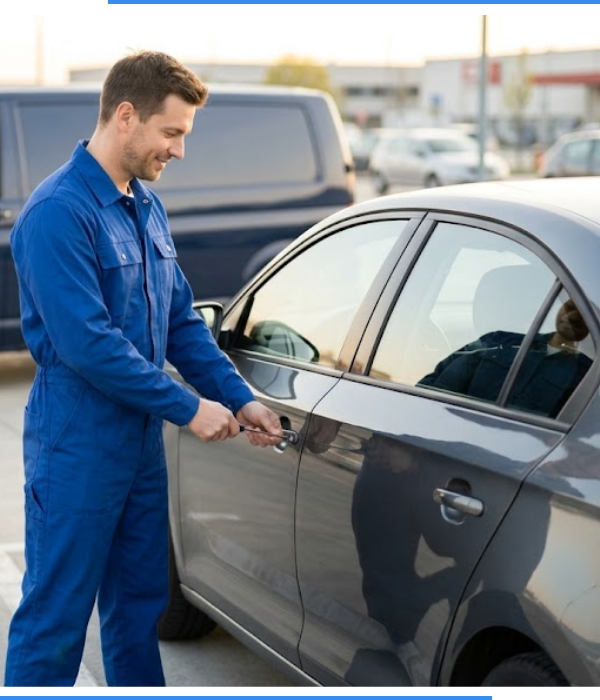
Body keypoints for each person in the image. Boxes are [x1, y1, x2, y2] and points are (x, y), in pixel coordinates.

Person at [5, 50, 283, 688]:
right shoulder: (58, 213)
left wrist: (238, 398)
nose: (179, 150)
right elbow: (89, 345)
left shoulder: (145, 206)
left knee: (136, 610)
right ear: (126, 116)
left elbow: (181, 323)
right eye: (172, 132)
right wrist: (189, 408)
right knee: (56, 619)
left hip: (138, 446)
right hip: (77, 441)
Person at [418, 298, 592, 418]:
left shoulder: (589, 376)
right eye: (570, 307)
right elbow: (432, 388)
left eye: (583, 316)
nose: (572, 317)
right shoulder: (497, 341)